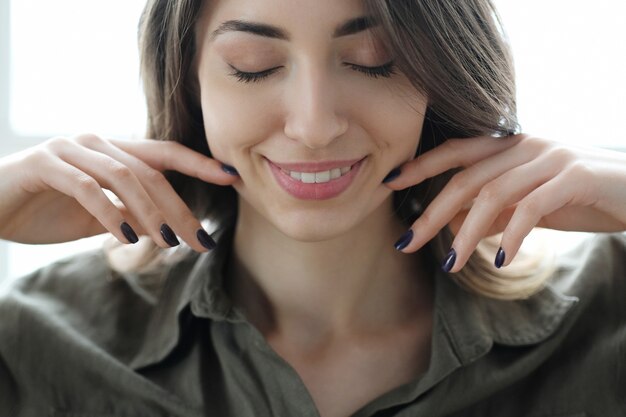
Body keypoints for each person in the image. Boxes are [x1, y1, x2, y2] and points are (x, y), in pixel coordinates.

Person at [0, 0, 625, 416]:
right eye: (254, 67)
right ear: (188, 81)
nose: (315, 125)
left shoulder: (603, 316)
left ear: (442, 74)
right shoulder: (38, 341)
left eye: (374, 62)